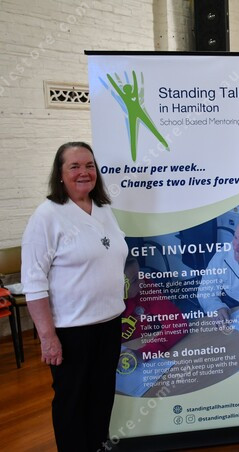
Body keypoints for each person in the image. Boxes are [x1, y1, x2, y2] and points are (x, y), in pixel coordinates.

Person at [21, 142, 128, 451]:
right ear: (60, 174)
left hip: (109, 323)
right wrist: (47, 337)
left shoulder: (104, 209)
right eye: (75, 166)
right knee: (72, 402)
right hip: (72, 331)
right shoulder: (47, 216)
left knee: (101, 397)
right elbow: (33, 282)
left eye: (90, 165)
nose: (84, 172)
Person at [197, 211, 239, 321]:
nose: (235, 247)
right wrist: (216, 307)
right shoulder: (224, 254)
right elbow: (205, 291)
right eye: (235, 237)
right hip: (232, 313)